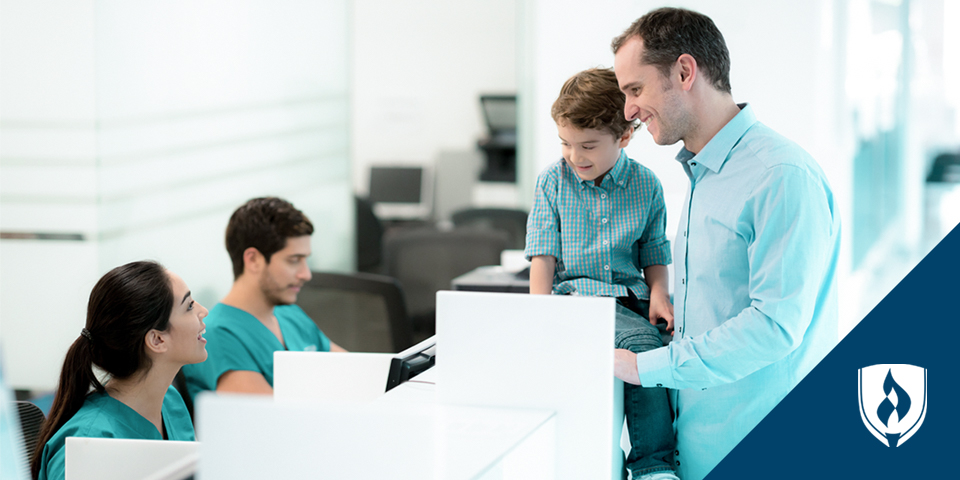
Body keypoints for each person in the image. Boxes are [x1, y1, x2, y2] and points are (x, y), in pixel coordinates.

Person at [610, 8, 841, 480]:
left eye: (636, 90)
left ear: (684, 71)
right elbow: (723, 305)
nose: (628, 110)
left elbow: (775, 326)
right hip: (698, 450)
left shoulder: (779, 176)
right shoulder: (702, 176)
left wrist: (644, 366)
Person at [525, 67, 677, 480]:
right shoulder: (552, 183)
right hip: (576, 302)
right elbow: (543, 254)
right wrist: (539, 313)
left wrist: (660, 292)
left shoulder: (647, 185)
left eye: (588, 145)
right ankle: (653, 465)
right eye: (566, 144)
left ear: (625, 136)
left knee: (664, 353)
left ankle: (652, 458)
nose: (576, 157)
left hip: (630, 301)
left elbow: (654, 251)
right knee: (644, 347)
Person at [32, 261, 208, 480]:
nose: (204, 311)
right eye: (189, 306)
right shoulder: (90, 441)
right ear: (157, 339)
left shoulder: (170, 403)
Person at [182, 197, 344, 400]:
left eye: (306, 260)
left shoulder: (290, 315)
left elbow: (359, 372)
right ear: (254, 260)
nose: (306, 274)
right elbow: (272, 424)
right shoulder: (217, 336)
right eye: (294, 261)